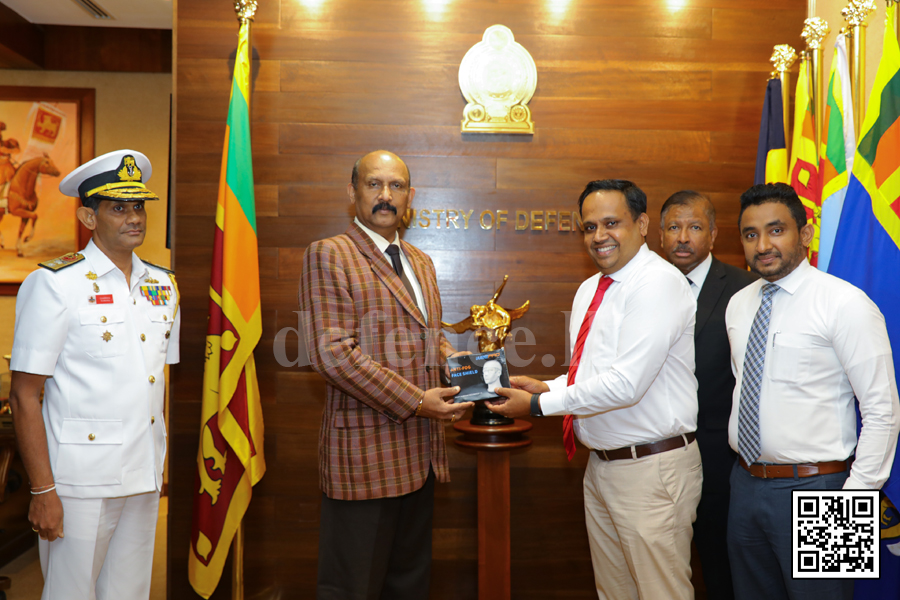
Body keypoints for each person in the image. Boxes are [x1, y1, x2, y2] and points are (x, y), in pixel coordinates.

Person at [488, 179, 702, 600]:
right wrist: (548, 385)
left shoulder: (656, 283)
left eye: (611, 223)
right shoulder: (592, 287)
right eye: (589, 227)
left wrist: (537, 404)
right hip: (602, 467)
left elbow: (626, 384)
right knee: (614, 594)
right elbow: (596, 374)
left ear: (641, 224)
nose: (599, 236)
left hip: (651, 470)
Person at [299, 150, 472, 600]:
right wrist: (418, 401)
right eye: (374, 184)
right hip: (364, 460)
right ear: (352, 192)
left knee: (409, 586)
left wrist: (466, 372)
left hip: (422, 457)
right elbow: (333, 354)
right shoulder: (330, 255)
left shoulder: (421, 261)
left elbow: (427, 338)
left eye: (396, 186)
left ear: (409, 197)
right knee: (353, 589)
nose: (385, 196)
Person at [8, 149, 178, 600]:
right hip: (78, 483)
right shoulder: (55, 283)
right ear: (88, 215)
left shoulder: (163, 285)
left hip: (142, 475)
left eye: (138, 206)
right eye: (117, 207)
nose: (133, 217)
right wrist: (43, 489)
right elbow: (25, 395)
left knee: (128, 594)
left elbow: (154, 383)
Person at [725, 182, 900, 600]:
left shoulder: (845, 303)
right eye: (751, 235)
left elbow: (882, 410)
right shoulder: (739, 304)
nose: (763, 244)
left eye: (776, 230)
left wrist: (852, 507)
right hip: (745, 484)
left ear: (804, 234)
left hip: (823, 490)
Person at [659, 190, 756, 600]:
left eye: (695, 227)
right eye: (674, 228)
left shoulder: (752, 290)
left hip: (816, 479)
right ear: (659, 235)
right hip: (666, 462)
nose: (683, 237)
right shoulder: (645, 288)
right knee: (667, 577)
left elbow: (880, 408)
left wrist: (863, 487)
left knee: (740, 579)